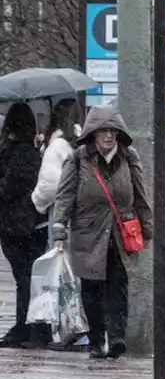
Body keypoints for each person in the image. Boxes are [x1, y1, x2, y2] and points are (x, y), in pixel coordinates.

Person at [51, 103, 152, 360]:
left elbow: (140, 194)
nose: (108, 136)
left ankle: (117, 338)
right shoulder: (78, 158)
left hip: (120, 234)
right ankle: (97, 340)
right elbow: (64, 196)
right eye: (103, 130)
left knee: (119, 286)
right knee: (92, 289)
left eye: (113, 131)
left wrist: (147, 226)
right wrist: (59, 228)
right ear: (92, 134)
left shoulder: (129, 157)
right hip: (88, 233)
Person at [33, 98, 85, 351]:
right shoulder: (80, 142)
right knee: (77, 273)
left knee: (61, 274)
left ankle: (67, 329)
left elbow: (48, 186)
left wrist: (37, 202)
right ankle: (82, 328)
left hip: (61, 216)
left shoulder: (56, 147)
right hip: (83, 217)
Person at [0, 103, 51, 348]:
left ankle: (26, 327)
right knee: (30, 277)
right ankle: (35, 326)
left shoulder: (18, 153)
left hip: (17, 227)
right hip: (30, 225)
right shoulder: (32, 152)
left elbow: (9, 189)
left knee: (24, 278)